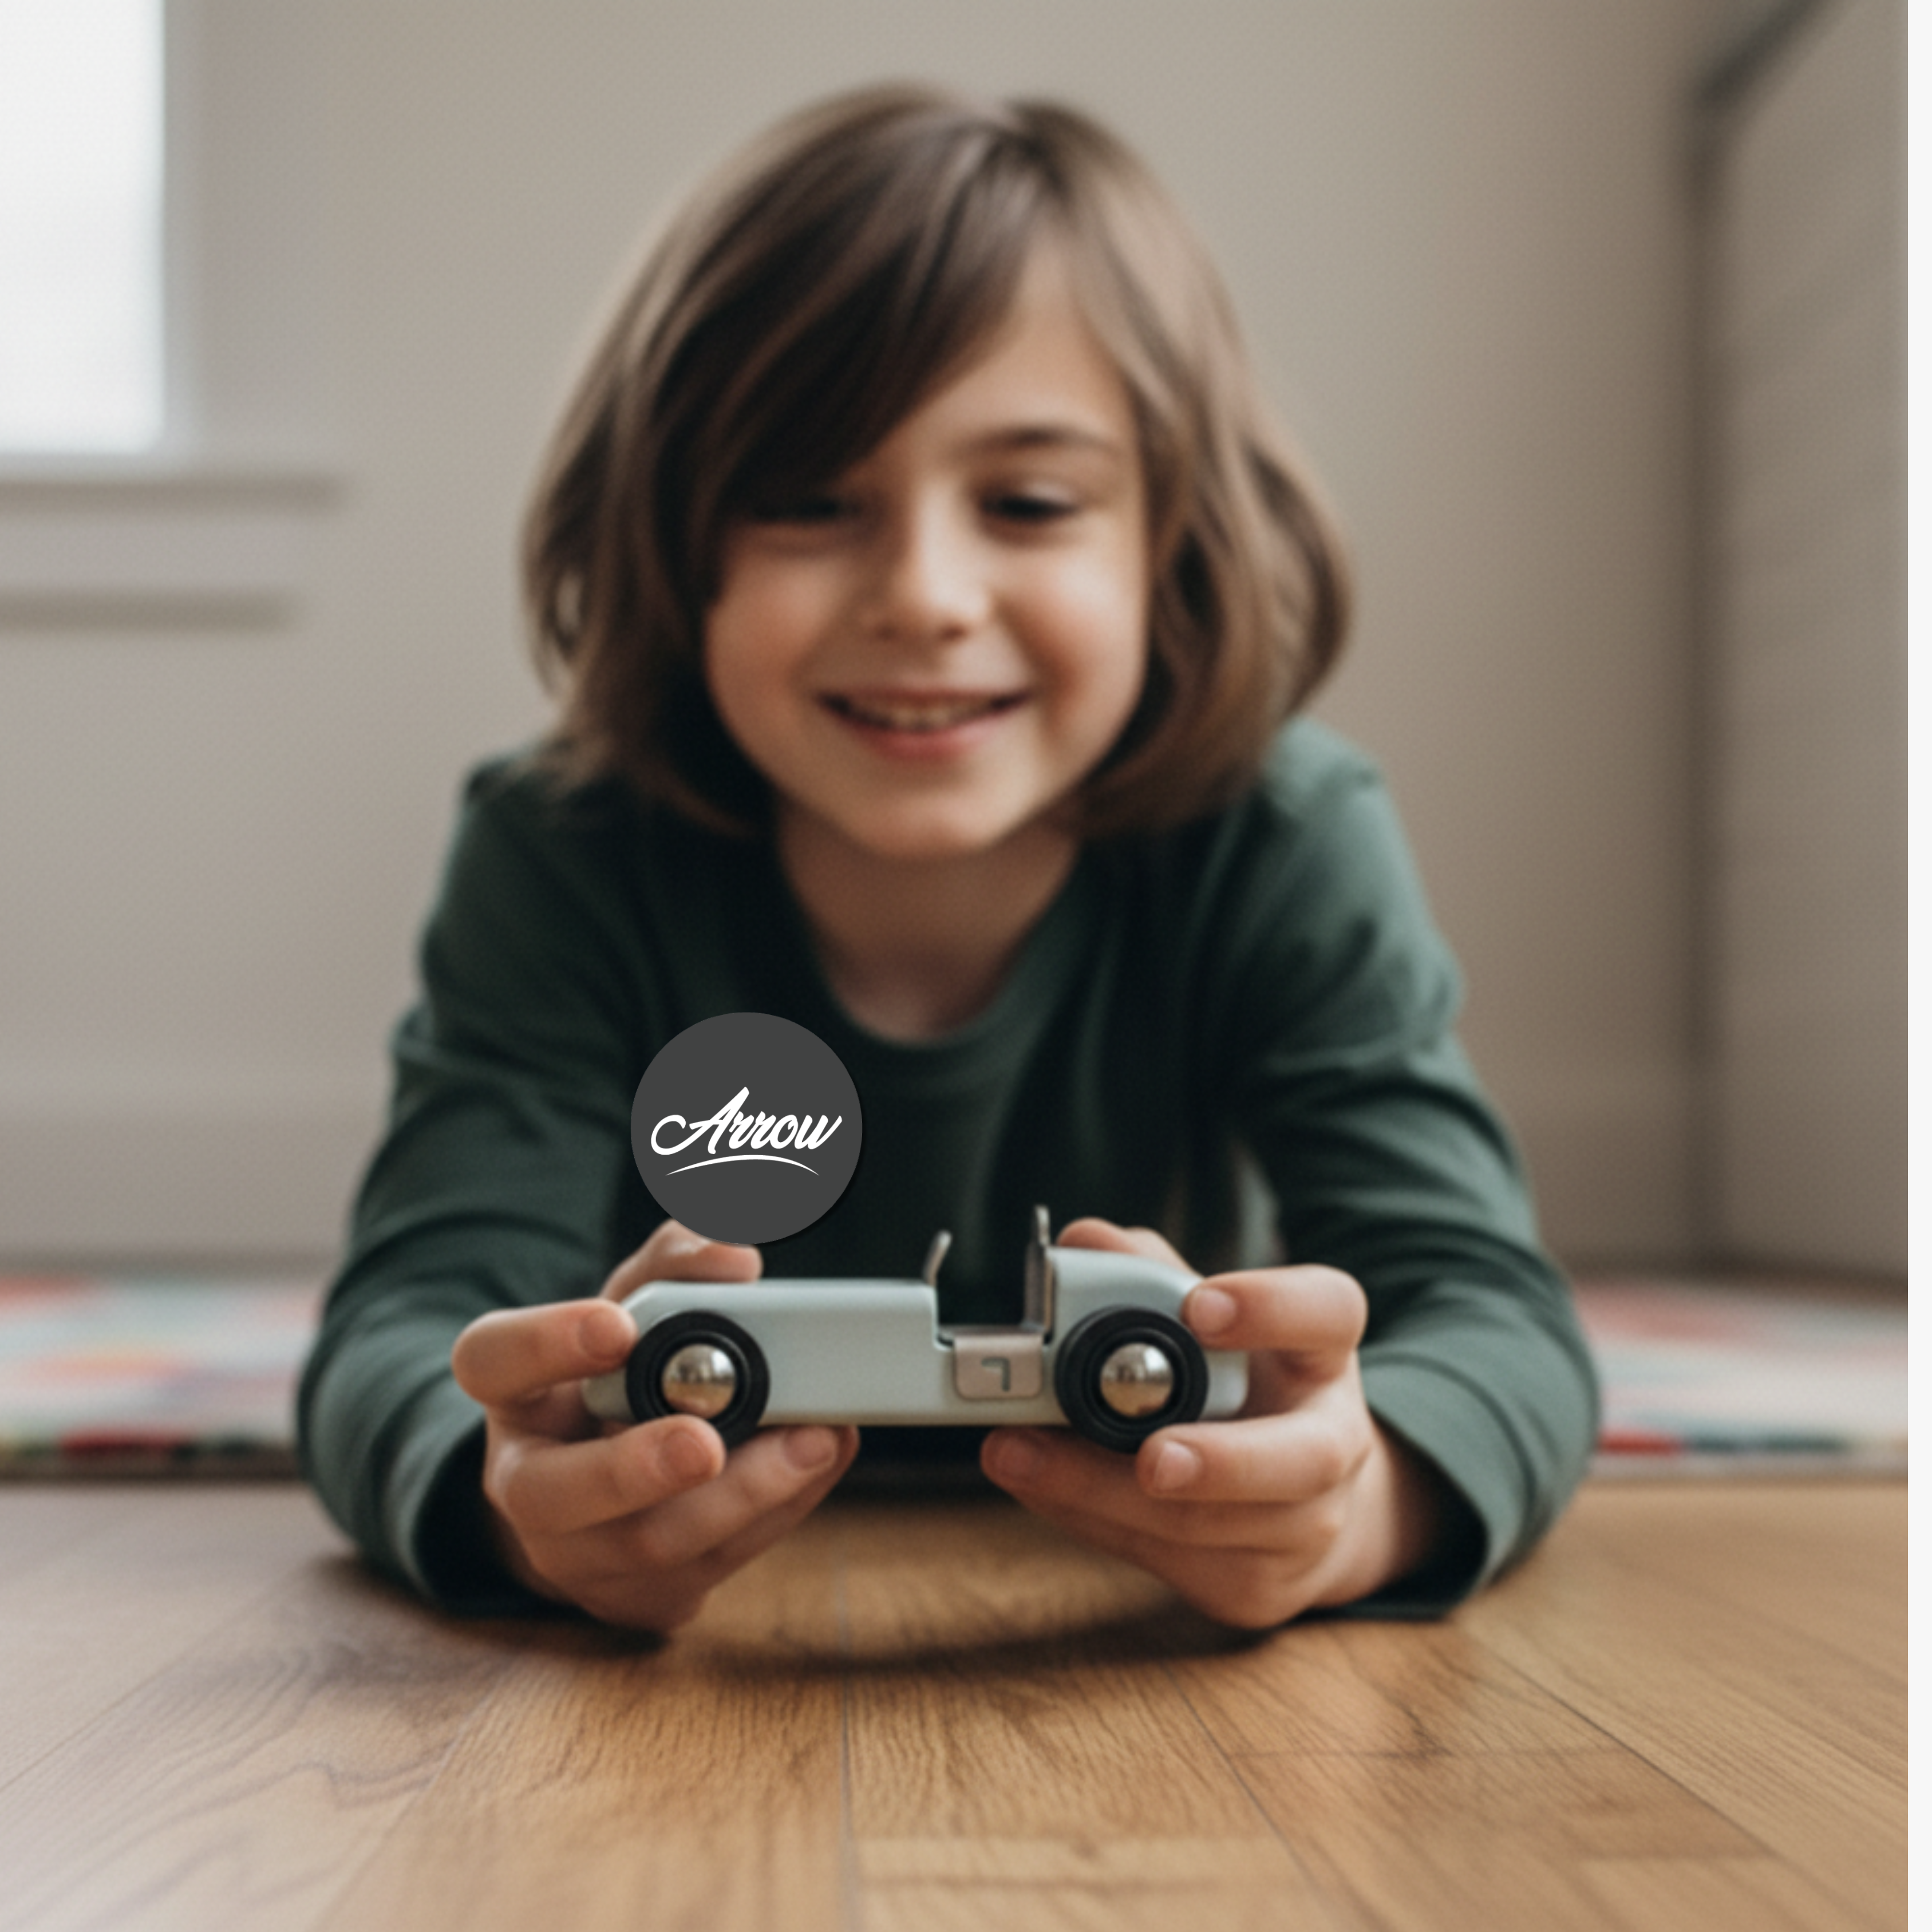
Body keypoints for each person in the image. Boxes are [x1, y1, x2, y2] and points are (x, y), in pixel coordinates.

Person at [297, 84, 1597, 1633]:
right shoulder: (562, 849)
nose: (923, 592)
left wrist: (1362, 1496)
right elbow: (408, 1323)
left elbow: (1491, 1315)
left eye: (1028, 502)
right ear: (674, 542)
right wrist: (508, 1502)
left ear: (1168, 547)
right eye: (808, 500)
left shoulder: (1277, 838)